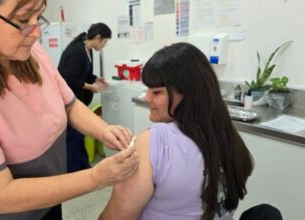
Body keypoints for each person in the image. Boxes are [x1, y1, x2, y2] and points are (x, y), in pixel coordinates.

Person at [0, 0, 138, 219]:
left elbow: (70, 105)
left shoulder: (33, 54)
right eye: (22, 20)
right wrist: (96, 177)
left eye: (38, 18)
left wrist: (104, 131)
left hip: (46, 203)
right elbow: (0, 195)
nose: (37, 32)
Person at [100, 43, 254, 220]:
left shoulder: (154, 142)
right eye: (147, 89)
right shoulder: (226, 135)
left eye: (156, 92)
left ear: (188, 93)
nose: (147, 97)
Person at [58, 22, 111, 173]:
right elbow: (69, 78)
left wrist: (96, 80)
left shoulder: (87, 50)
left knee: (80, 134)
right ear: (98, 38)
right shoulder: (77, 51)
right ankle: (74, 171)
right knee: (73, 137)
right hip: (67, 101)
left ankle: (83, 166)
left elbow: (84, 74)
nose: (104, 46)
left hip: (77, 100)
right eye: (105, 42)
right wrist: (90, 87)